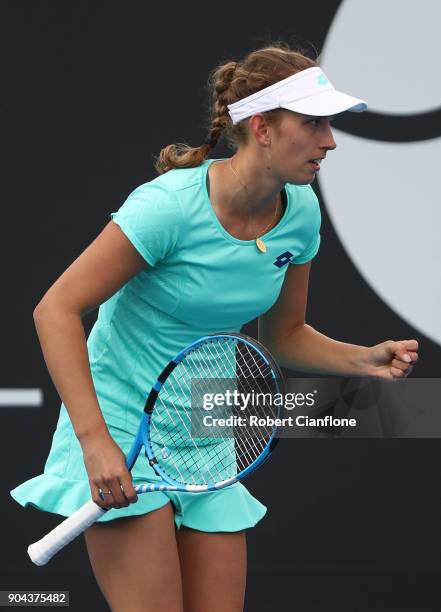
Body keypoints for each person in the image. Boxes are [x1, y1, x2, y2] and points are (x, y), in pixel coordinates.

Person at [11, 42, 418, 612]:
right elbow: (54, 309)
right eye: (313, 123)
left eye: (329, 124)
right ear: (263, 128)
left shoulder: (299, 211)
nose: (329, 141)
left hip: (204, 442)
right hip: (120, 431)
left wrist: (361, 358)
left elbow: (283, 335)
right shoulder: (168, 208)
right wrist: (95, 443)